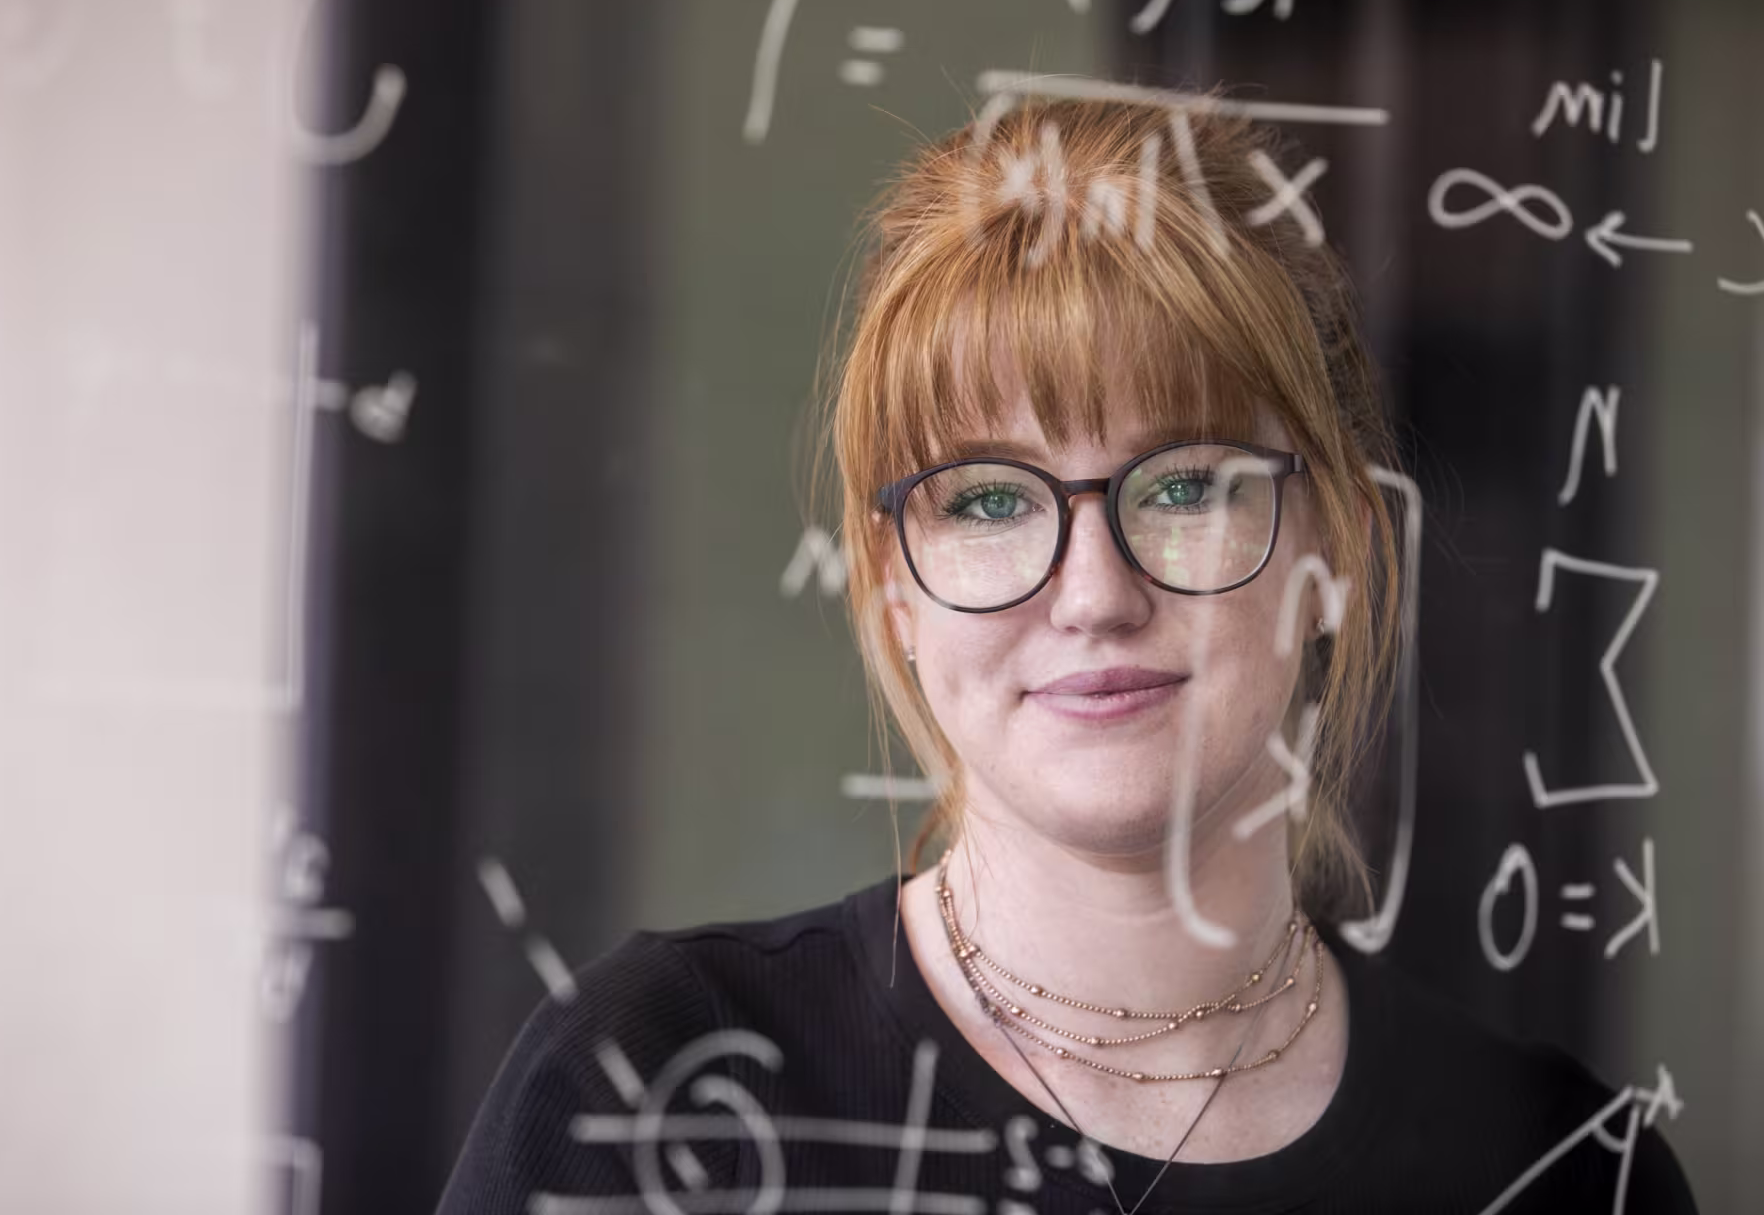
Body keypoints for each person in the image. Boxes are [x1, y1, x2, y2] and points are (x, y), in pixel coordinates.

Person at [435, 94, 1696, 1213]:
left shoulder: (1567, 1171)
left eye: (1187, 484)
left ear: (1342, 555)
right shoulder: (649, 1084)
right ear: (893, 597)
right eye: (988, 499)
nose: (1093, 593)